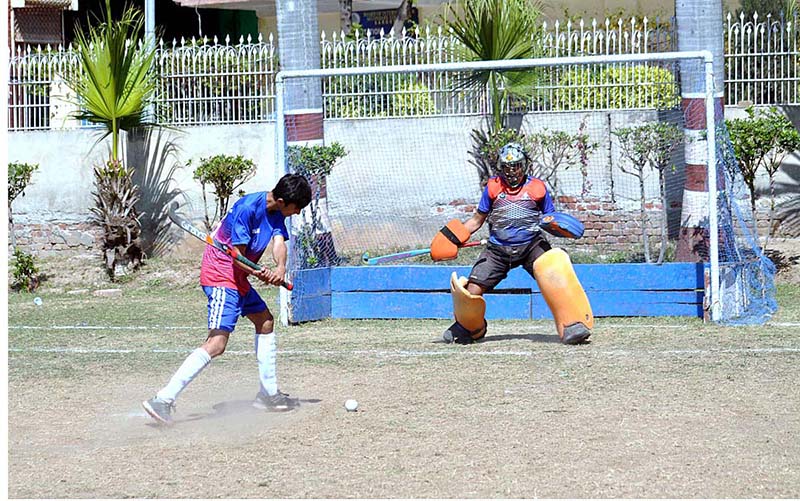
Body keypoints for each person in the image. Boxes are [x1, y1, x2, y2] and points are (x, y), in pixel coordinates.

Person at [143, 173, 312, 425]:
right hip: (221, 274)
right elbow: (238, 257)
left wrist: (279, 269)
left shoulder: (277, 212)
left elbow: (278, 243)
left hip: (238, 275)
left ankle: (268, 394)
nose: (296, 213)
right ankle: (163, 399)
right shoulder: (247, 209)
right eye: (296, 208)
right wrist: (259, 273)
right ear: (280, 199)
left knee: (265, 321)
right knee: (217, 344)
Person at [431, 142, 594, 345]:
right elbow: (476, 220)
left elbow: (549, 218)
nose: (512, 172)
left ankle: (573, 324)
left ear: (524, 165)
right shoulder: (492, 188)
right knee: (470, 291)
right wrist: (453, 238)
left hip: (531, 245)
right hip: (498, 249)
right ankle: (470, 328)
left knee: (554, 269)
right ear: (501, 168)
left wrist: (558, 225)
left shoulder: (537, 188)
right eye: (507, 167)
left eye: (516, 166)